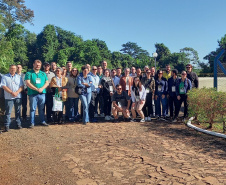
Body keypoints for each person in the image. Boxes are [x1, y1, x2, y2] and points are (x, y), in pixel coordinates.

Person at [25, 60, 49, 128]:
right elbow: (28, 83)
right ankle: (32, 122)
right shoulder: (29, 73)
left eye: (39, 65)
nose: (38, 66)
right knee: (33, 108)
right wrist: (36, 89)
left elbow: (47, 83)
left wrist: (42, 88)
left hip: (42, 93)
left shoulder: (43, 73)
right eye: (36, 65)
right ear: (33, 64)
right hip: (33, 94)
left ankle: (42, 121)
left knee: (41, 108)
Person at [1, 65, 24, 132]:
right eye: (11, 68)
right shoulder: (5, 77)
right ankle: (7, 125)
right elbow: (3, 86)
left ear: (16, 69)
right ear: (9, 69)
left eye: (14, 68)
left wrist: (16, 92)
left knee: (18, 111)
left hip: (18, 96)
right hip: (9, 97)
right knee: (8, 112)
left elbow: (22, 86)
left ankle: (18, 124)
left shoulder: (19, 77)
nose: (13, 70)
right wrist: (11, 92)